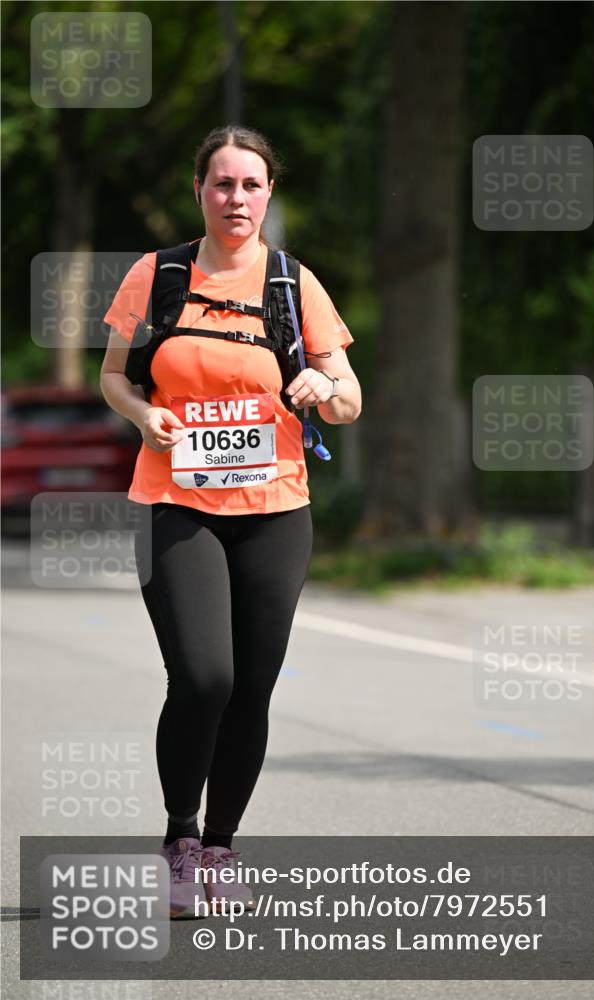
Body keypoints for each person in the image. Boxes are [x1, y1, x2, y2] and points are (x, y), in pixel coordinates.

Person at [100, 124, 362, 918]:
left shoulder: (292, 283)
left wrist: (324, 389)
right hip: (176, 504)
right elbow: (113, 377)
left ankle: (220, 848)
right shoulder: (158, 274)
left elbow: (348, 396)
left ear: (268, 194)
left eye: (250, 185)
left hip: (275, 511)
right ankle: (180, 838)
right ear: (199, 191)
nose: (236, 198)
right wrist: (143, 415)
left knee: (250, 688)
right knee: (204, 676)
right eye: (222, 183)